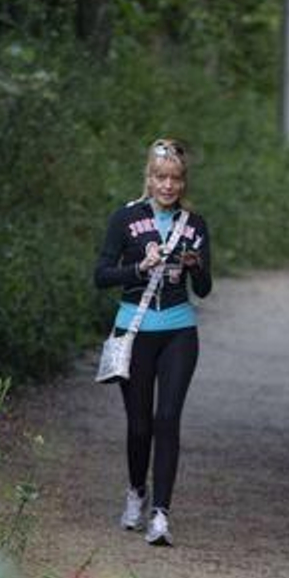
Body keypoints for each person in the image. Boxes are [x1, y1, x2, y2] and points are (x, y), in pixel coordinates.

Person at [92, 138, 212, 546]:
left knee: (167, 419)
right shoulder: (124, 219)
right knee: (140, 424)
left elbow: (207, 288)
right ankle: (136, 493)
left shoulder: (195, 225)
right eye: (161, 177)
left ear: (183, 182)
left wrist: (196, 267)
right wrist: (139, 267)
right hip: (135, 329)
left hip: (179, 331)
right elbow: (101, 275)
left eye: (176, 179)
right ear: (149, 177)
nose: (168, 186)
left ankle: (161, 513)